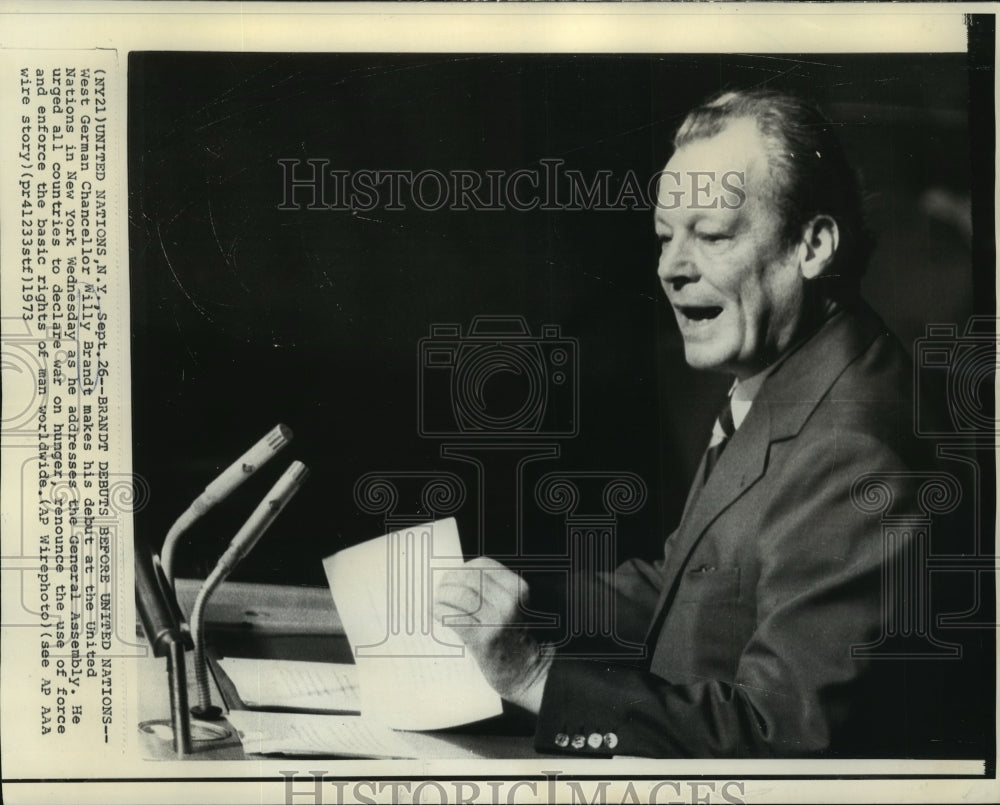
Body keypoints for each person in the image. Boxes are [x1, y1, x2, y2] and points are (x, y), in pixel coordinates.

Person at [433, 89, 944, 758]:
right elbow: (691, 585)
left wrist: (532, 672)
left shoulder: (852, 448)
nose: (671, 268)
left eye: (711, 235)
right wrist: (513, 596)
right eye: (664, 236)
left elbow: (781, 735)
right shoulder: (792, 373)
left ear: (813, 244)